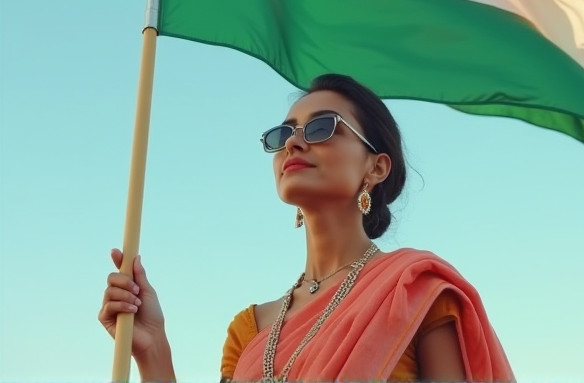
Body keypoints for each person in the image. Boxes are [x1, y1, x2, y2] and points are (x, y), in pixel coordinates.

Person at [99, 73, 515, 382]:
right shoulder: (249, 330)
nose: (294, 143)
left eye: (322, 127)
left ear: (376, 166)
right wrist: (153, 350)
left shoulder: (414, 293)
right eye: (284, 134)